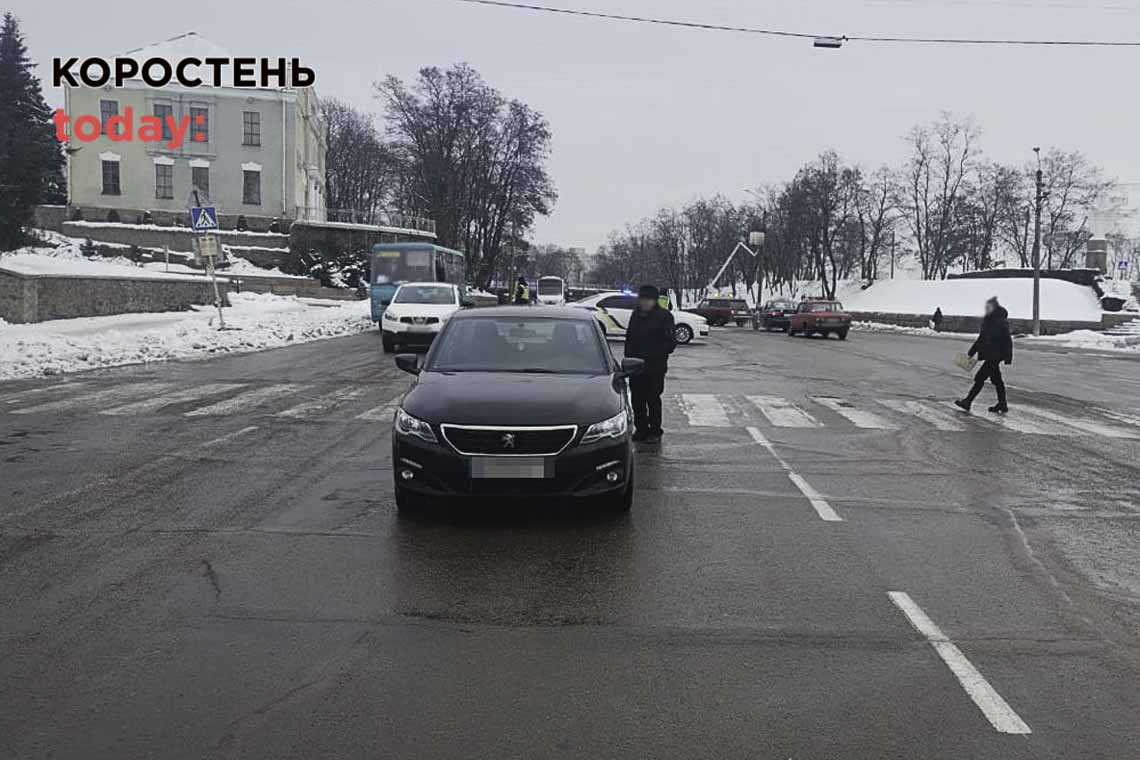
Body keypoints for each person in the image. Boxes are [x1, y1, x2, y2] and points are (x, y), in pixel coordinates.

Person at [625, 285, 676, 443]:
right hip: (636, 366)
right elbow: (630, 338)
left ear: (654, 301)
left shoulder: (664, 316)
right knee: (637, 401)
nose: (645, 302)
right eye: (643, 299)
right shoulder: (636, 315)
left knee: (652, 399)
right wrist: (629, 361)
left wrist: (656, 355)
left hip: (655, 367)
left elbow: (670, 343)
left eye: (649, 299)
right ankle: (641, 429)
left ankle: (655, 431)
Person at [955, 297, 1013, 414]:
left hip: (994, 356)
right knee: (997, 380)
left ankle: (968, 402)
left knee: (980, 378)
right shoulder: (990, 321)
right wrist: (972, 352)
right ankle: (1002, 404)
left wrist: (1008, 357)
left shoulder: (1000, 321)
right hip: (991, 355)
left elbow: (1007, 340)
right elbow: (982, 338)